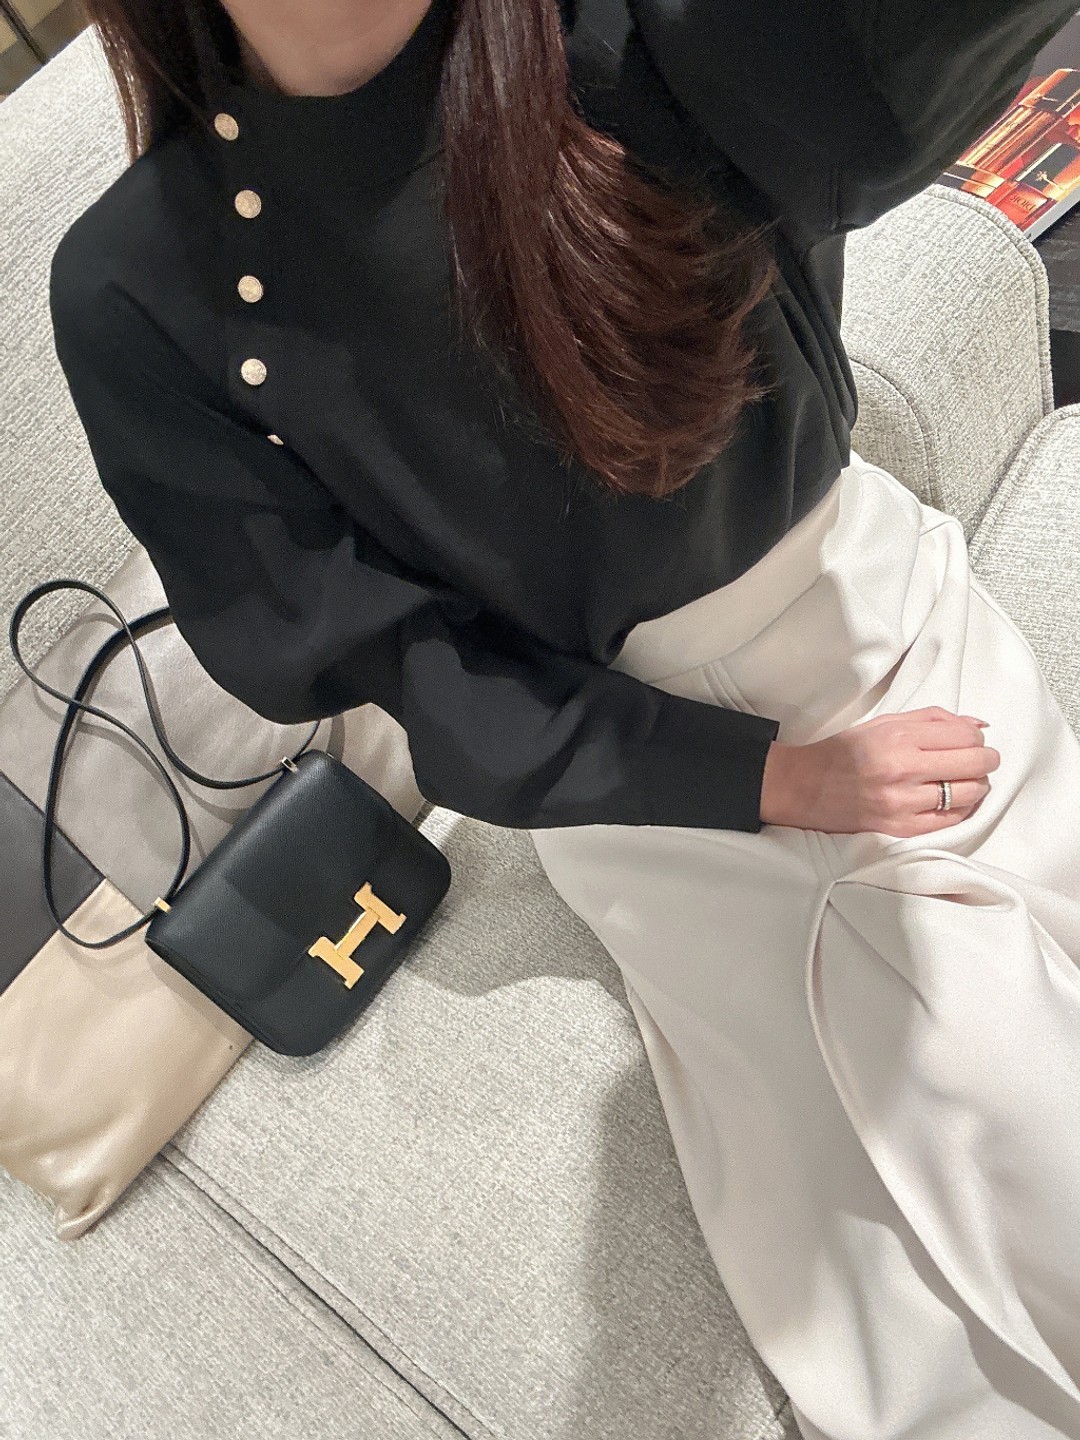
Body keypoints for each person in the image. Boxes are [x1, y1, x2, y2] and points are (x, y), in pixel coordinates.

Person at [50, 1, 1080, 1435]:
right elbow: (405, 671)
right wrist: (763, 782)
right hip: (624, 781)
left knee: (1008, 1075)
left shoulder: (640, 41)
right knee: (898, 1276)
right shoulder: (138, 289)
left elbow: (882, 69)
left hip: (870, 628)